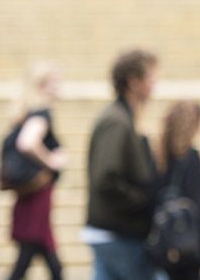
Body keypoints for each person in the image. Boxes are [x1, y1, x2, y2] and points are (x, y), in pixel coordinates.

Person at [82, 49, 159, 280]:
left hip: (115, 231)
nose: (154, 83)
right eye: (150, 77)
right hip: (118, 233)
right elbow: (106, 178)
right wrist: (144, 201)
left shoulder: (124, 119)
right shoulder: (116, 121)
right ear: (134, 82)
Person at [6, 63, 67, 280]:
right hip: (37, 196)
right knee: (34, 254)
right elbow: (27, 143)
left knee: (37, 256)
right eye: (55, 83)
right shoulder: (42, 114)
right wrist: (52, 160)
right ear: (42, 86)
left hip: (32, 196)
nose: (59, 88)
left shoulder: (27, 114)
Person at [155, 101, 200, 280]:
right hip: (188, 250)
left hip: (162, 249)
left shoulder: (156, 155)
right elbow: (197, 211)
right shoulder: (191, 158)